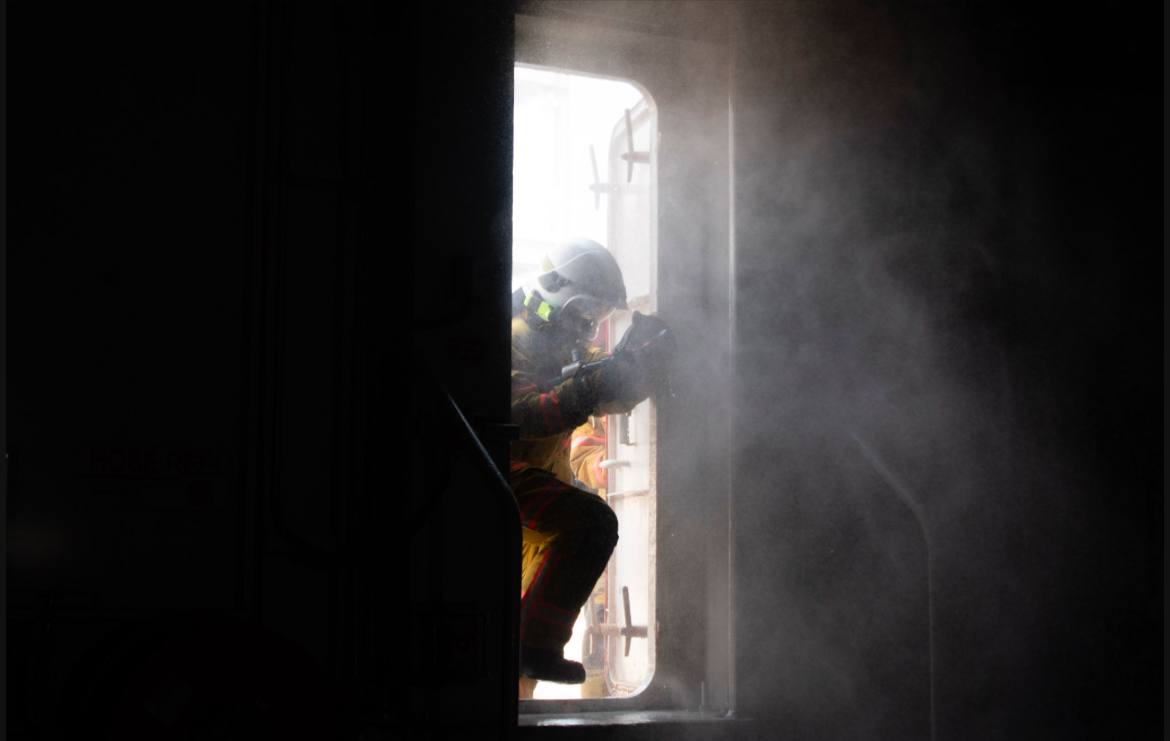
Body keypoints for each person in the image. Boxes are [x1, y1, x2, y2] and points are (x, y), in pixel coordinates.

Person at [510, 238, 671, 685]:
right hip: (503, 480)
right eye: (589, 314)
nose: (591, 325)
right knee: (593, 523)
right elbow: (520, 415)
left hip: (533, 500)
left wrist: (640, 369)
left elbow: (601, 382)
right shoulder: (515, 340)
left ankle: (531, 653)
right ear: (564, 300)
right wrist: (584, 391)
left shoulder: (564, 347)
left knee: (519, 676)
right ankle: (535, 648)